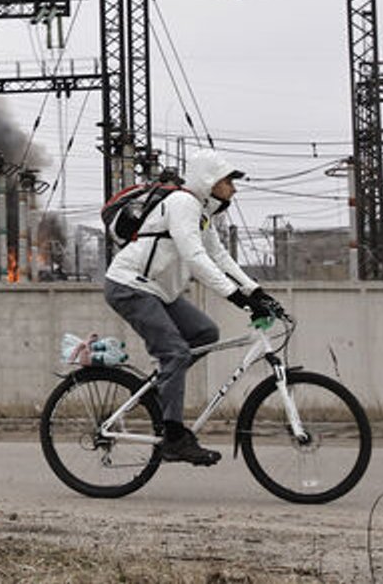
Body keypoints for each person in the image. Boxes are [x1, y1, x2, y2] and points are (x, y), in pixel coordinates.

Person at [103, 147, 286, 465]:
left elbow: (220, 257)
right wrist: (238, 298)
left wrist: (256, 291)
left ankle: (162, 388)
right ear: (209, 180)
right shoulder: (182, 203)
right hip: (129, 286)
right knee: (175, 352)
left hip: (159, 291)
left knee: (204, 333)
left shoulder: (202, 213)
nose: (234, 188)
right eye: (229, 180)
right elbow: (195, 257)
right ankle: (173, 438)